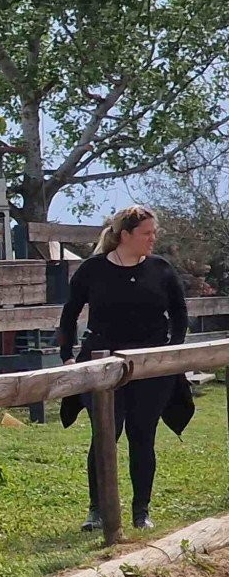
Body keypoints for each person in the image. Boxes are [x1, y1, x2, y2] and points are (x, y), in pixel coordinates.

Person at [58, 205, 191, 532]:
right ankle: (97, 510)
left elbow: (180, 315)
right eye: (146, 233)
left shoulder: (161, 269)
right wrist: (67, 356)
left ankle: (141, 511)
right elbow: (69, 313)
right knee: (105, 435)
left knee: (143, 435)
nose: (152, 238)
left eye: (153, 232)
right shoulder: (93, 270)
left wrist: (171, 353)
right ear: (126, 235)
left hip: (150, 368)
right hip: (103, 365)